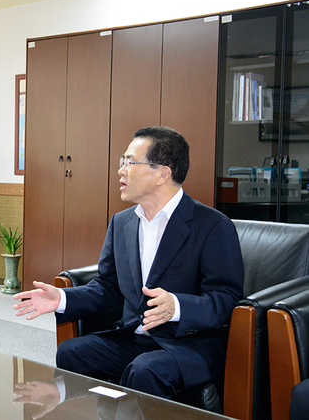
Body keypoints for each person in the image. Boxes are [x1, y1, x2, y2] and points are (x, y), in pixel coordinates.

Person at [14, 126, 244, 400]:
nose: (120, 170)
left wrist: (177, 307)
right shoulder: (122, 222)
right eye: (122, 162)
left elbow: (226, 298)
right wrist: (62, 299)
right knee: (72, 352)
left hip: (190, 343)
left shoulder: (213, 225)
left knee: (146, 370)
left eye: (130, 162)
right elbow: (109, 286)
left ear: (163, 173)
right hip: (135, 337)